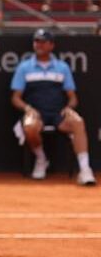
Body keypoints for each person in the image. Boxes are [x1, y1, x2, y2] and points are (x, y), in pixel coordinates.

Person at [10, 28, 96, 186]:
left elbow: (72, 97)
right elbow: (16, 98)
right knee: (29, 126)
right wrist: (28, 109)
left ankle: (85, 170)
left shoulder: (62, 68)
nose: (39, 45)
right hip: (36, 113)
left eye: (43, 42)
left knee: (78, 121)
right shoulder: (24, 67)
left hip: (58, 113)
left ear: (51, 45)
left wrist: (69, 108)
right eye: (36, 41)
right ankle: (42, 160)